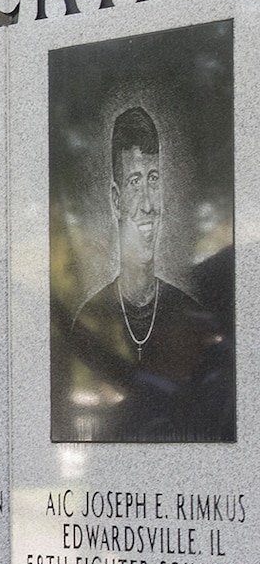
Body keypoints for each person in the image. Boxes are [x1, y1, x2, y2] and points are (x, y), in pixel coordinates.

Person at [60, 105, 231, 441]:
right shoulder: (104, 302)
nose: (149, 204)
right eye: (135, 182)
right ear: (115, 197)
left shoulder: (202, 288)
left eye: (155, 181)